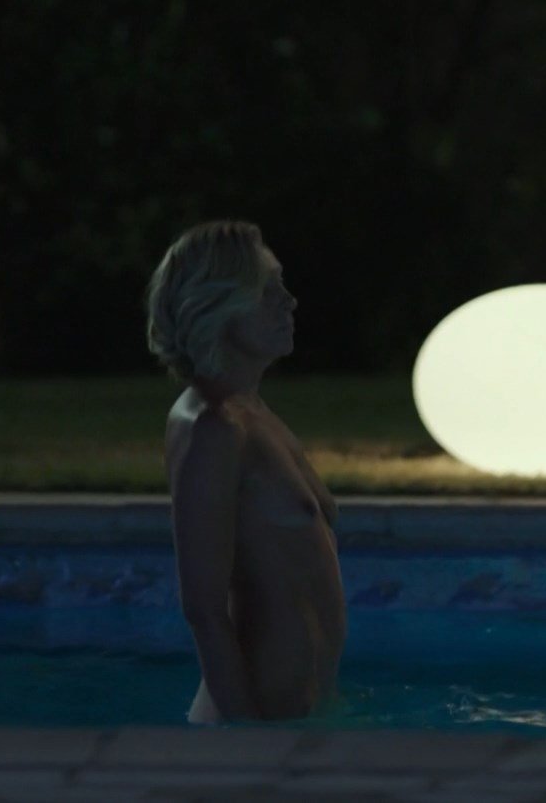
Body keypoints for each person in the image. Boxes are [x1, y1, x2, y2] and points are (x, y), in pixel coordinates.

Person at [144, 220, 347, 723]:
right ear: (218, 305)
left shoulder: (250, 410)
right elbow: (203, 607)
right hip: (253, 719)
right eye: (268, 290)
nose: (289, 302)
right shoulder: (212, 429)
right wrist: (245, 743)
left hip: (298, 714)